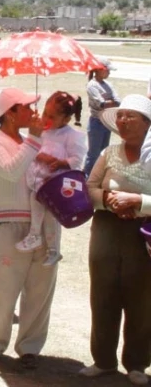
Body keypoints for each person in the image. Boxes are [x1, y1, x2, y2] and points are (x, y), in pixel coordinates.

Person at [0, 88, 60, 370]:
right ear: (10, 112)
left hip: (43, 224)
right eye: (26, 107)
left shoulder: (28, 140)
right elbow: (11, 171)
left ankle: (30, 348)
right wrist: (35, 139)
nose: (32, 112)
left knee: (40, 290)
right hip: (10, 221)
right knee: (3, 289)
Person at [81, 94, 151, 386]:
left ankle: (136, 364)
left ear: (147, 123)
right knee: (103, 294)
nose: (122, 121)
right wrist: (109, 201)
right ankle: (103, 360)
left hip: (143, 234)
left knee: (142, 300)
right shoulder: (108, 153)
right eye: (120, 116)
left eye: (130, 116)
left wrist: (138, 201)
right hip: (107, 230)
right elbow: (90, 186)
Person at [15, 91, 87, 264]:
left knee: (51, 216)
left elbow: (77, 160)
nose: (46, 118)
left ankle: (54, 249)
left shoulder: (71, 136)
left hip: (56, 184)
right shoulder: (42, 129)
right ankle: (34, 235)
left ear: (66, 120)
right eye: (45, 113)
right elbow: (32, 146)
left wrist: (61, 162)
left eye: (52, 116)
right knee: (35, 205)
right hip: (38, 181)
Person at [85, 58, 120, 174]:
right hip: (96, 122)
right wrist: (109, 102)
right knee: (93, 154)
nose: (109, 73)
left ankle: (98, 175)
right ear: (100, 70)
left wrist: (109, 102)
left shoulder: (108, 84)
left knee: (104, 152)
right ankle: (87, 176)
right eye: (107, 70)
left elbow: (117, 100)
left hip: (107, 122)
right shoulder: (92, 85)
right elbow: (101, 104)